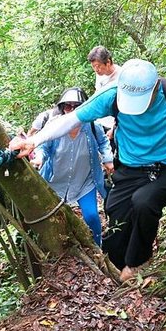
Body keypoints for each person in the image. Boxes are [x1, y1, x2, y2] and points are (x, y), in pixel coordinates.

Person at [9, 59, 166, 282]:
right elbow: (70, 120)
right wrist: (34, 141)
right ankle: (116, 270)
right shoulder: (112, 94)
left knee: (144, 202)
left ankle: (136, 264)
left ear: (154, 88)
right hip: (131, 169)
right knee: (116, 215)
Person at [29, 86, 114, 247]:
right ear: (62, 108)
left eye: (77, 106)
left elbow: (103, 143)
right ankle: (62, 250)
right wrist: (39, 158)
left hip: (84, 182)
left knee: (91, 217)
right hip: (54, 183)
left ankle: (97, 248)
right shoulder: (54, 126)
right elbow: (43, 147)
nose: (72, 110)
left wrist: (108, 159)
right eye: (68, 106)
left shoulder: (92, 127)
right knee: (53, 220)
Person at [87, 46, 122, 149]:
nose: (96, 70)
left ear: (108, 62)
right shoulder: (99, 75)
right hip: (100, 122)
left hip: (115, 124)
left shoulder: (121, 76)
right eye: (93, 66)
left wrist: (114, 128)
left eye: (98, 66)